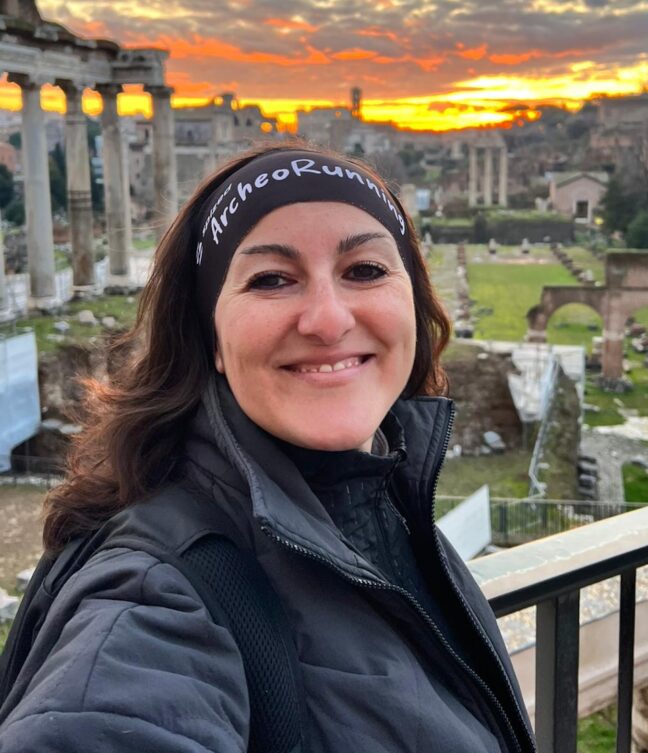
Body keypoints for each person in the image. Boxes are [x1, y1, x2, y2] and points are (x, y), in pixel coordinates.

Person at [0, 143, 535, 752]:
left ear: (413, 300)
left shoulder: (379, 506)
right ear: (213, 342)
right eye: (272, 279)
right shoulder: (154, 598)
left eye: (365, 269)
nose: (328, 321)